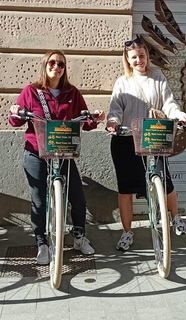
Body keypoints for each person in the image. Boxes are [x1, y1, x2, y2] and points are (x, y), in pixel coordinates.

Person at [9, 50, 105, 264]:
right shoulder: (31, 91)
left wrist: (96, 118)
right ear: (45, 65)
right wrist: (15, 111)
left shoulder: (72, 93)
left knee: (78, 198)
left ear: (64, 68)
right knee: (39, 200)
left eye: (61, 63)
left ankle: (79, 236)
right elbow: (16, 121)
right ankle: (42, 242)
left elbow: (84, 122)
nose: (56, 67)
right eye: (52, 62)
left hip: (64, 153)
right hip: (36, 151)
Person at [106, 36, 186, 251]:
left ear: (147, 56)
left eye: (142, 56)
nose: (138, 60)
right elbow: (115, 108)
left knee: (166, 181)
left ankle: (175, 216)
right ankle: (127, 232)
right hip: (126, 139)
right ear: (127, 59)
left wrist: (179, 114)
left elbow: (169, 103)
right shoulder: (122, 82)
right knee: (125, 189)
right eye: (134, 57)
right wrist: (113, 122)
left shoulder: (158, 77)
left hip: (153, 136)